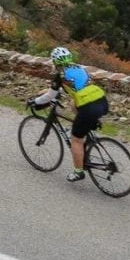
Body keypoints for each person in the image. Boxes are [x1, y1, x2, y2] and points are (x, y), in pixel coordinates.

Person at [30, 46, 109, 181]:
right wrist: (48, 92)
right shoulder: (79, 68)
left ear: (55, 62)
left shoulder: (59, 75)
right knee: (74, 102)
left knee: (76, 140)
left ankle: (78, 172)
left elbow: (50, 96)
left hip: (89, 107)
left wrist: (36, 102)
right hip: (102, 101)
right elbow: (69, 88)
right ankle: (85, 128)